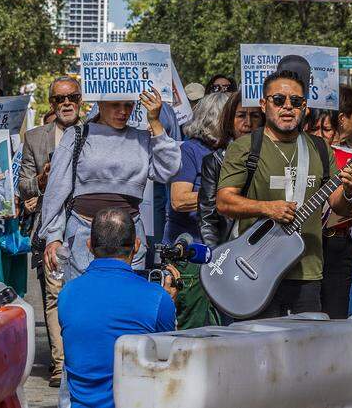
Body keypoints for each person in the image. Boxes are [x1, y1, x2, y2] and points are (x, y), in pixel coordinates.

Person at [215, 70, 352, 317]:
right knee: (260, 348)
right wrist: (267, 208)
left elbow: (338, 206)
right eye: (279, 100)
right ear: (264, 104)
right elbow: (224, 201)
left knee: (303, 350)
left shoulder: (320, 148)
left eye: (296, 102)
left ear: (304, 107)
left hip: (307, 271)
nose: (288, 107)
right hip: (257, 267)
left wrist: (349, 190)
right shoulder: (246, 147)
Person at [40, 87, 181, 281]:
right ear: (100, 103)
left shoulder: (141, 138)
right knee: (86, 300)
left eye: (128, 105)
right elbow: (56, 189)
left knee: (126, 302)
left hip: (130, 237)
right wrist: (53, 236)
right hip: (83, 234)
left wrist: (155, 122)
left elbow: (169, 169)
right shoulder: (78, 135)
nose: (123, 111)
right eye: (115, 105)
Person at [58, 207, 175, 408]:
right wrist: (169, 302)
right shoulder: (157, 299)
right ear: (137, 245)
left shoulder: (67, 294)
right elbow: (168, 360)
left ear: (89, 245)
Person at [18, 76, 83, 388]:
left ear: (81, 100)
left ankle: (82, 359)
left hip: (87, 230)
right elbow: (23, 184)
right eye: (59, 99)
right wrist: (42, 182)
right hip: (51, 231)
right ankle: (60, 364)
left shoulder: (95, 131)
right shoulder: (35, 138)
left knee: (84, 297)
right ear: (52, 104)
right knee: (55, 297)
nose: (66, 103)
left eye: (72, 97)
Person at [317, 86, 352, 320]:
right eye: (315, 128)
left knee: (343, 312)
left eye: (326, 129)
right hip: (309, 244)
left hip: (341, 242)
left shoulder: (350, 158)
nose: (321, 135)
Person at [198, 91, 262, 247]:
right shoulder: (214, 162)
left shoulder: (274, 156)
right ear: (229, 121)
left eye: (255, 116)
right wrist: (214, 257)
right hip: (229, 247)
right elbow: (208, 217)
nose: (248, 123)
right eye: (241, 115)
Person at [168, 92, 231, 243]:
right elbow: (179, 200)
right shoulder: (190, 150)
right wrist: (226, 197)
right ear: (214, 118)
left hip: (220, 240)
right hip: (189, 243)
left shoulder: (232, 150)